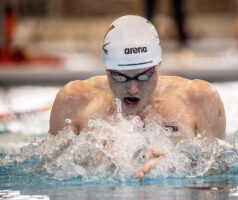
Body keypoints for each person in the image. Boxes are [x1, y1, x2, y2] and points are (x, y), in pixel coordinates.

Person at [49, 15, 226, 178]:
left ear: (158, 66)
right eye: (120, 77)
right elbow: (48, 171)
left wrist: (174, 164)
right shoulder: (74, 101)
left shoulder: (200, 100)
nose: (132, 88)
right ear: (107, 70)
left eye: (143, 76)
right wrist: (96, 161)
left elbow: (218, 177)